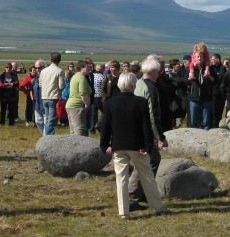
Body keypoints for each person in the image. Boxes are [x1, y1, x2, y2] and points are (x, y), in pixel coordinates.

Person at [98, 71, 171, 220]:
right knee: (147, 177)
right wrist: (148, 146)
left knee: (121, 178)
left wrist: (105, 145)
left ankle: (123, 212)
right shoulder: (141, 102)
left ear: (119, 84)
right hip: (138, 147)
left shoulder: (109, 103)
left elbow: (105, 127)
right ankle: (157, 206)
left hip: (118, 146)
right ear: (134, 84)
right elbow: (146, 127)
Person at [186, 50, 218, 130]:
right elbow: (185, 81)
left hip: (206, 97)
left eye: (201, 56)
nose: (199, 58)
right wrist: (189, 79)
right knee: (193, 121)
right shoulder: (191, 69)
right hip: (194, 97)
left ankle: (205, 139)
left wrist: (209, 76)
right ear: (195, 58)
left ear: (204, 58)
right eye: (198, 56)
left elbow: (216, 81)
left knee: (206, 121)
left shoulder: (209, 68)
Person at [39, 52, 66, 135]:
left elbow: (40, 84)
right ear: (59, 60)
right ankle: (48, 138)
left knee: (47, 119)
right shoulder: (60, 71)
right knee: (52, 120)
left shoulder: (43, 71)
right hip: (53, 97)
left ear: (50, 59)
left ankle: (46, 136)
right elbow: (61, 86)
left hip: (44, 96)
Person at [65, 60, 93, 135]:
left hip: (71, 106)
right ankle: (79, 146)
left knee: (73, 130)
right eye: (87, 67)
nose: (89, 69)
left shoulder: (76, 76)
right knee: (79, 129)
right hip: (76, 107)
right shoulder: (81, 78)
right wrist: (87, 105)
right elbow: (83, 93)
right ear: (81, 68)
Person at [0, 61, 21, 126]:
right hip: (3, 95)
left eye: (10, 67)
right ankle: (2, 122)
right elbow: (1, 85)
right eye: (7, 67)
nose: (8, 68)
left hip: (12, 95)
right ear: (5, 68)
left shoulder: (13, 75)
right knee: (3, 109)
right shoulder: (2, 75)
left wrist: (9, 84)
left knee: (12, 109)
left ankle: (11, 123)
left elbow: (17, 83)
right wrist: (9, 84)